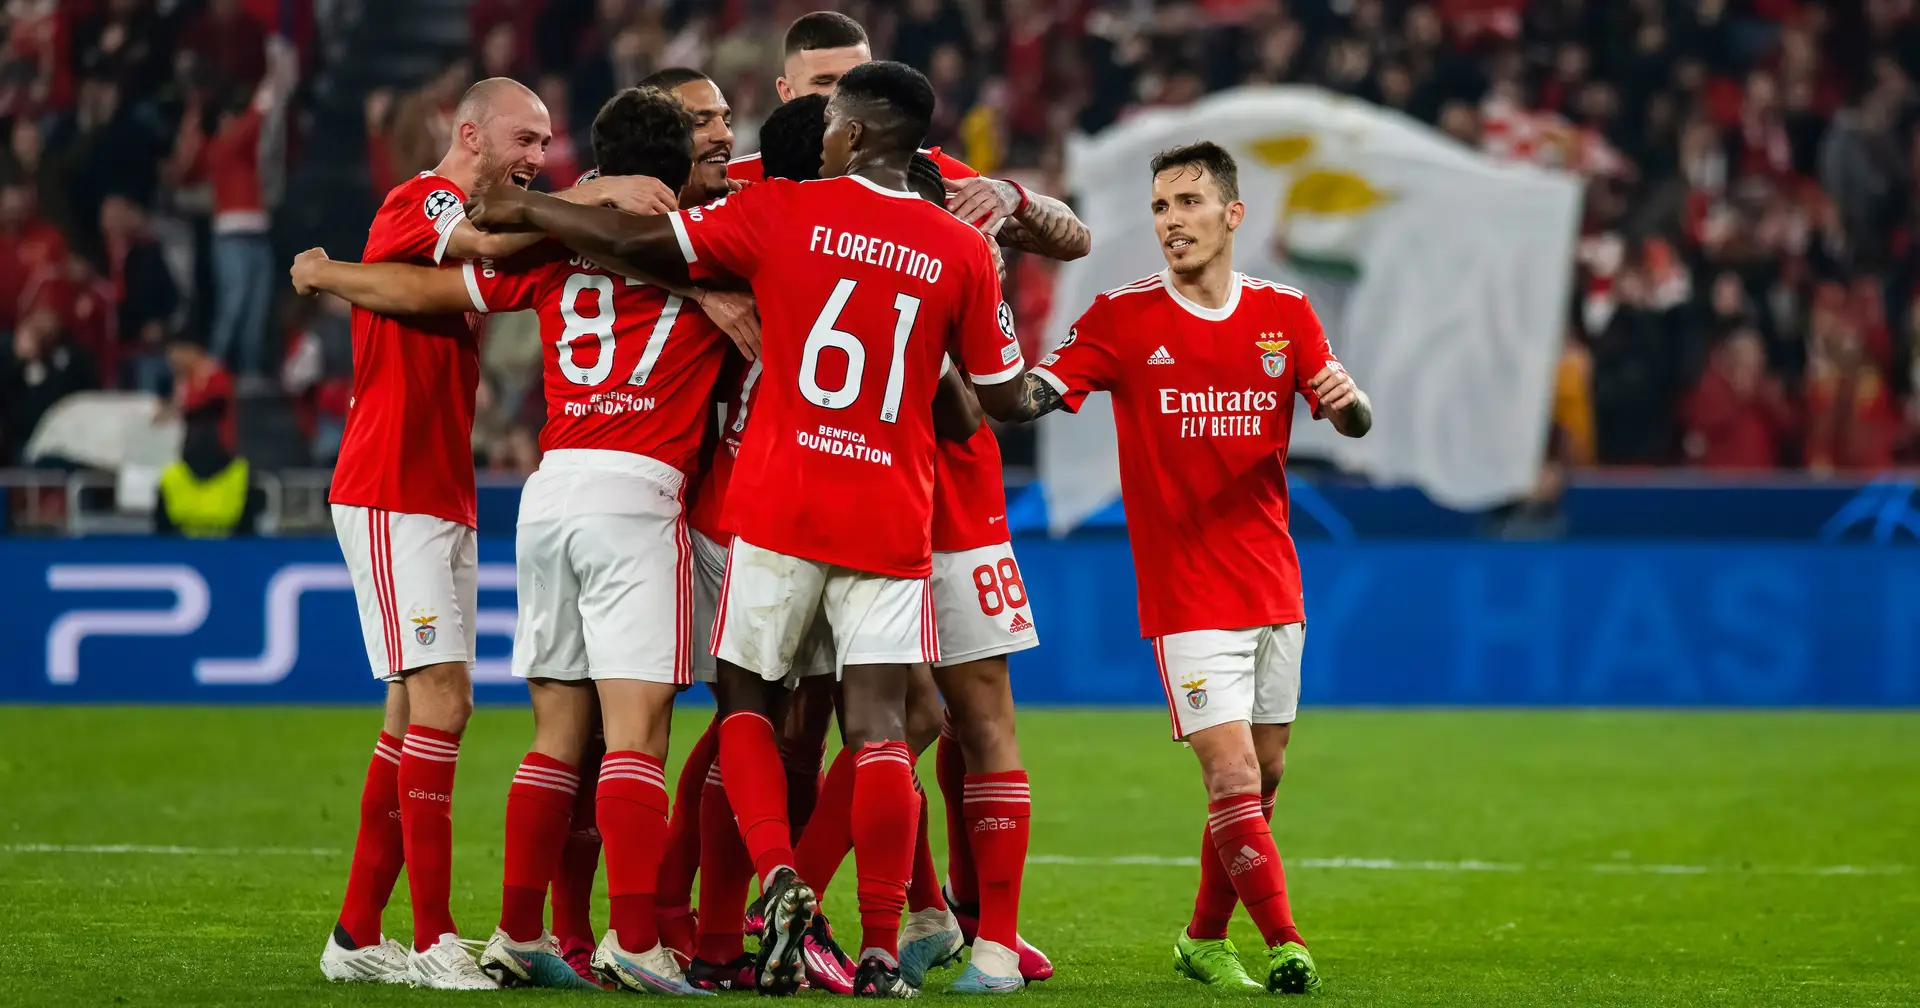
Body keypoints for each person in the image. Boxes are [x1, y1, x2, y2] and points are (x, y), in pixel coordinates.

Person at [464, 60, 1026, 999]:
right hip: (889, 510)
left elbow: (634, 238)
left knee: (745, 706)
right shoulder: (956, 250)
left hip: (775, 501)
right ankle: (884, 945)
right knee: (886, 727)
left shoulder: (784, 217)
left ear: (852, 132)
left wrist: (533, 212)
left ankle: (772, 883)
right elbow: (993, 403)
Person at [727, 11, 1090, 993]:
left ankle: (950, 921)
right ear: (789, 90)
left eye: (855, 81)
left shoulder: (930, 181)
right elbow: (652, 227)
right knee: (832, 720)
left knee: (951, 715)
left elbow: (1074, 232)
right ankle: (835, 916)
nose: (839, 99)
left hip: (939, 488)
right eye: (821, 86)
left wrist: (1008, 195)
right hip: (829, 480)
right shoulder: (763, 183)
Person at [305, 75, 671, 991]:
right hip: (389, 485)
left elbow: (484, 267)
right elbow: (481, 234)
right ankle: (434, 938)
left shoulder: (494, 225)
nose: (536, 158)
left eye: (547, 143)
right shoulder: (422, 197)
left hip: (438, 490)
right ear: (469, 133)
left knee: (410, 716)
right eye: (524, 139)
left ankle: (355, 933)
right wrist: (590, 194)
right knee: (445, 702)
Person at [985, 142, 1374, 994]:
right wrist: (976, 349)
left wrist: (1351, 406)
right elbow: (1027, 399)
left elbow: (1352, 418)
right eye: (1160, 206)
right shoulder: (1122, 318)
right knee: (1231, 772)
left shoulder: (1287, 312)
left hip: (1273, 582)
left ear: (1233, 216)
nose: (1172, 221)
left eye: (1190, 202)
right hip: (1186, 592)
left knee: (1264, 776)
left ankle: (1202, 937)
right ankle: (1286, 944)